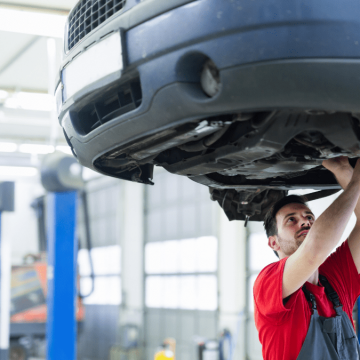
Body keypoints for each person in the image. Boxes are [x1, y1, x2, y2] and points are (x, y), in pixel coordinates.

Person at [254, 156, 360, 360]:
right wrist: (356, 182)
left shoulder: (335, 279)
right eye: (291, 220)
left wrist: (345, 173)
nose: (304, 222)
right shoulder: (269, 282)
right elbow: (314, 250)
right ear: (273, 243)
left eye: (309, 217)